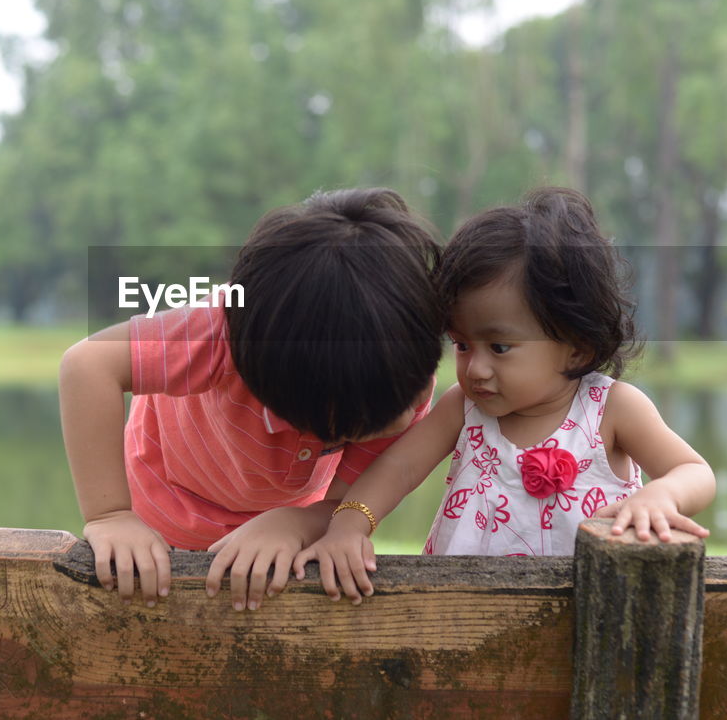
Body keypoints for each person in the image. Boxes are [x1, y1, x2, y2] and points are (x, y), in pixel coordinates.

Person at [293, 187, 715, 603]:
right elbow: (398, 469)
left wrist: (659, 496)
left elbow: (694, 472)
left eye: (499, 347)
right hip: (463, 609)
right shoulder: (463, 407)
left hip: (588, 610)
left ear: (577, 345)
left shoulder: (611, 409)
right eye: (461, 345)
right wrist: (350, 524)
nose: (475, 369)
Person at [59, 187, 444, 611]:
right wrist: (110, 516)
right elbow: (88, 365)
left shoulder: (397, 377)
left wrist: (295, 522)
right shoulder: (220, 331)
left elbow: (347, 503)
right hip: (161, 509)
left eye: (358, 429)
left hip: (282, 519)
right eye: (321, 426)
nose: (340, 437)